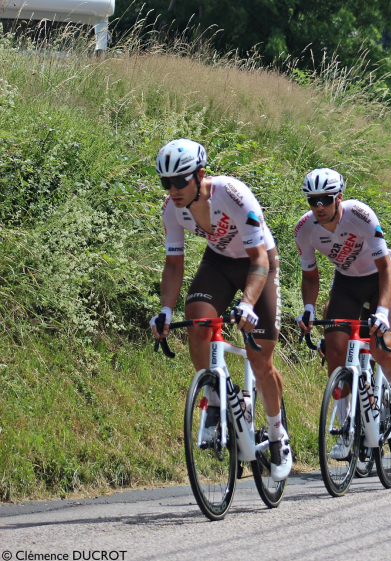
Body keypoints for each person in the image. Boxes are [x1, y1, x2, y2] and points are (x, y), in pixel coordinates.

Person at [150, 138, 291, 481]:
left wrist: (246, 303)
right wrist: (165, 310)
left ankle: (277, 434)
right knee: (198, 323)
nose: (173, 189)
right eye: (165, 182)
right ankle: (215, 401)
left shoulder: (232, 193)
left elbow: (258, 259)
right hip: (219, 263)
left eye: (180, 181)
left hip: (259, 263)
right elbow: (173, 266)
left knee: (260, 359)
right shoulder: (172, 209)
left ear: (200, 175)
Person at [295, 168, 391, 460]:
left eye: (325, 199)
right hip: (346, 282)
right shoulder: (305, 229)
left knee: (381, 345)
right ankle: (346, 427)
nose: (318, 206)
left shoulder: (359, 214)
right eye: (312, 200)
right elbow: (310, 276)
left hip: (379, 277)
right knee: (334, 349)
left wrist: (383, 312)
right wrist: (308, 308)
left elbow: (386, 269)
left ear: (339, 198)